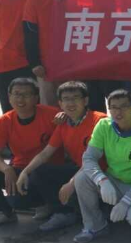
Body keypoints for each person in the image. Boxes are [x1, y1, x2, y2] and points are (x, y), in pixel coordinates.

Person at [15, 81, 107, 232]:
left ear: (85, 101)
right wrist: (25, 171)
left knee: (79, 182)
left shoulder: (100, 121)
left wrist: (71, 183)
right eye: (66, 99)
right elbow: (46, 153)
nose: (71, 103)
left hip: (101, 172)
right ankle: (64, 214)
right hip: (80, 170)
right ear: (60, 103)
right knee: (39, 173)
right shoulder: (64, 124)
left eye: (75, 98)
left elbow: (95, 160)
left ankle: (98, 218)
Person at [0, 78, 61, 230]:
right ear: (9, 97)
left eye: (26, 94)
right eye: (17, 94)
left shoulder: (53, 115)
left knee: (19, 200)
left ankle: (49, 204)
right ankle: (3, 212)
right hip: (18, 170)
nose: (20, 99)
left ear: (36, 97)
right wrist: (7, 169)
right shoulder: (5, 120)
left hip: (44, 171)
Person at [74, 89, 131, 243]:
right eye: (113, 107)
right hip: (113, 180)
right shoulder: (104, 125)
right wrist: (101, 180)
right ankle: (94, 226)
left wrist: (127, 201)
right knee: (82, 178)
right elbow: (89, 158)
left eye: (124, 106)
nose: (118, 112)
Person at [23, 0, 80, 106]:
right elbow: (29, 31)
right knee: (49, 106)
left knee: (75, 104)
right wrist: (35, 63)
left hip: (74, 64)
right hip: (46, 64)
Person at [76, 0, 122, 111]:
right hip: (88, 63)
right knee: (94, 108)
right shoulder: (77, 0)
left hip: (113, 63)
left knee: (119, 105)